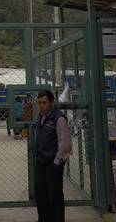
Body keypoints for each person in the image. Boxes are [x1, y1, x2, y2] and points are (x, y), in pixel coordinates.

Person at [34, 90, 72, 222]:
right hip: (41, 162)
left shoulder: (59, 118)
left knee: (54, 197)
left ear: (51, 103)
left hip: (53, 164)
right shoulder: (41, 116)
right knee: (41, 196)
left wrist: (56, 162)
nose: (41, 105)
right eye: (39, 103)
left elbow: (65, 143)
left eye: (44, 102)